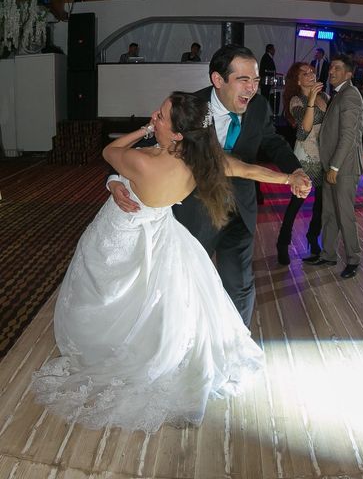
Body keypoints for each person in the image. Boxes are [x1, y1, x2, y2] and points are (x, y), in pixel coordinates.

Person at [31, 92, 309, 433]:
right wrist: (288, 179)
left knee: (110, 296)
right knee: (148, 300)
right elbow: (247, 169)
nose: (155, 116)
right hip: (163, 234)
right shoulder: (203, 159)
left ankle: (114, 349)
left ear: (178, 133)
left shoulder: (146, 162)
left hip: (122, 237)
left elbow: (109, 153)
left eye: (161, 116)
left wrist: (141, 130)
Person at [107, 44, 310, 326]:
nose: (252, 89)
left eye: (255, 81)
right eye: (243, 80)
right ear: (218, 79)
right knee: (186, 283)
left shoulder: (260, 107)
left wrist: (295, 170)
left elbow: (272, 142)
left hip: (240, 208)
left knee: (239, 283)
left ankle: (236, 344)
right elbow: (146, 147)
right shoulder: (189, 107)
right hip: (196, 210)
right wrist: (116, 181)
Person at [304, 54, 363, 279]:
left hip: (343, 169)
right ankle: (328, 254)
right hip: (332, 166)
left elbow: (348, 136)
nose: (331, 71)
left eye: (337, 68)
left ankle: (353, 259)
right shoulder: (338, 95)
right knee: (329, 213)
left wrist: (335, 167)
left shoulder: (350, 96)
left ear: (349, 74)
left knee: (345, 215)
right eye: (330, 67)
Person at [276, 62, 330, 265]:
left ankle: (312, 238)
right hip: (305, 158)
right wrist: (312, 99)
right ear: (297, 80)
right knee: (296, 203)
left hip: (324, 156)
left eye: (312, 71)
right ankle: (283, 243)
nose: (311, 74)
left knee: (321, 205)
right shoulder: (296, 100)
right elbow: (303, 130)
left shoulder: (325, 97)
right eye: (305, 73)